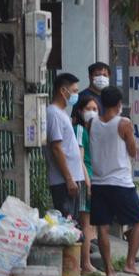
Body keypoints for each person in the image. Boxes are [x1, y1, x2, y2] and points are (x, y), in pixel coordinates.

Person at [89, 87, 139, 276]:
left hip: (98, 182)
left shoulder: (92, 123)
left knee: (102, 227)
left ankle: (109, 270)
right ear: (119, 103)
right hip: (120, 182)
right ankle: (130, 263)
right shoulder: (123, 123)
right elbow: (132, 151)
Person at [45, 73, 87, 221]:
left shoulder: (62, 113)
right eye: (74, 91)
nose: (76, 95)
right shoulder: (54, 114)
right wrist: (69, 179)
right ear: (63, 91)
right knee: (66, 225)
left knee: (72, 226)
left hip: (71, 180)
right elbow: (56, 148)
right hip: (63, 182)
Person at [71, 94, 103, 276]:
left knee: (90, 223)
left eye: (95, 109)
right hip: (85, 180)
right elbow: (79, 159)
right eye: (88, 109)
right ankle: (85, 264)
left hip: (93, 179)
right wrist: (88, 182)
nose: (92, 112)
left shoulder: (93, 131)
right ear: (80, 111)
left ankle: (86, 263)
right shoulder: (80, 130)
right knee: (85, 222)